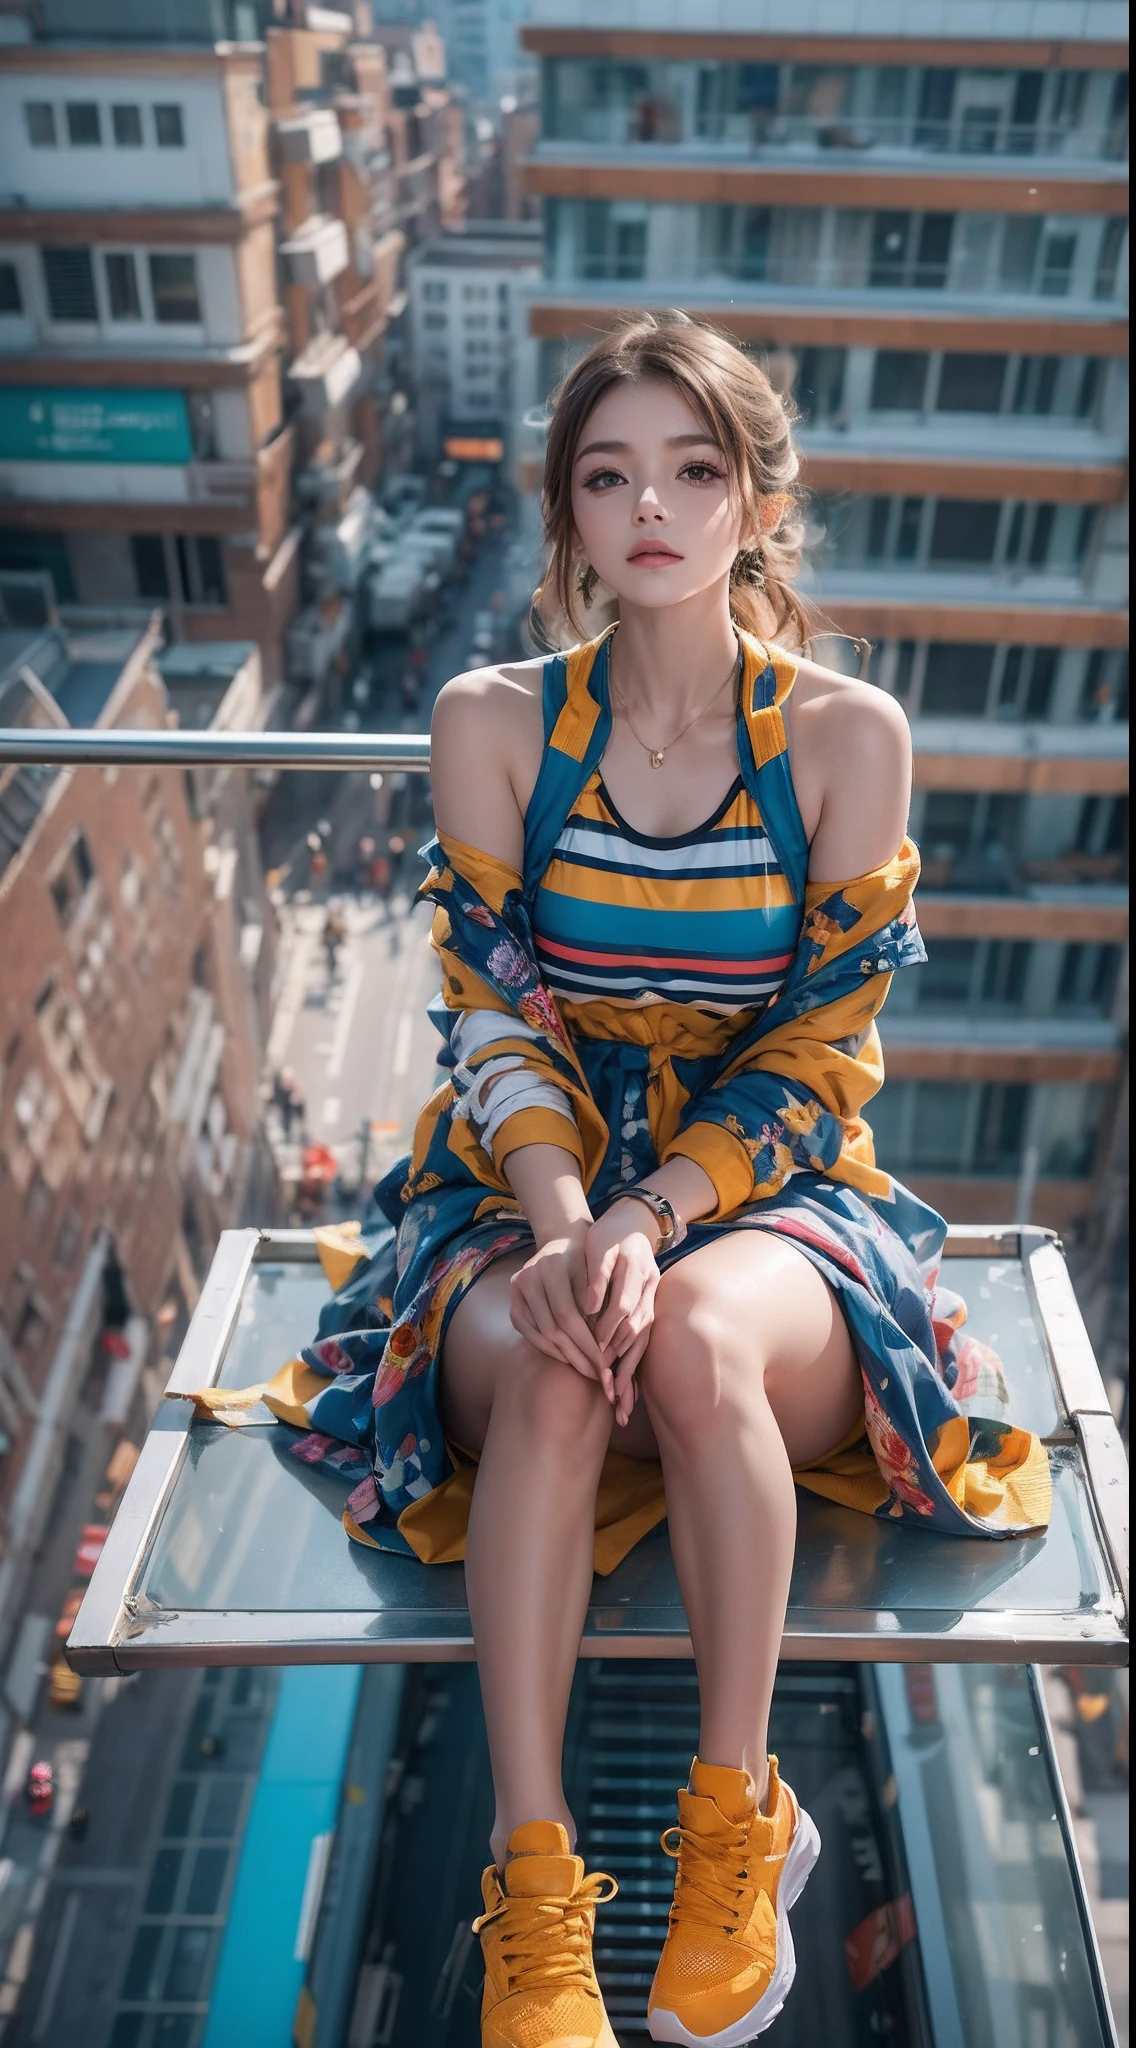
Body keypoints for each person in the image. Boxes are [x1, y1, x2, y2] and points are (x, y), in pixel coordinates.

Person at [254, 313, 1050, 2047]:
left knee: (686, 1339)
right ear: (569, 513)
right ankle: (535, 1893)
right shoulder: (495, 722)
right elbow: (490, 1013)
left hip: (759, 1199)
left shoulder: (846, 739)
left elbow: (821, 1052)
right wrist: (560, 1226)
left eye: (695, 470)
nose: (652, 508)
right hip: (523, 1183)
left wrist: (648, 1218)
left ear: (759, 498)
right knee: (556, 1357)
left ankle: (730, 1827)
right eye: (609, 475)